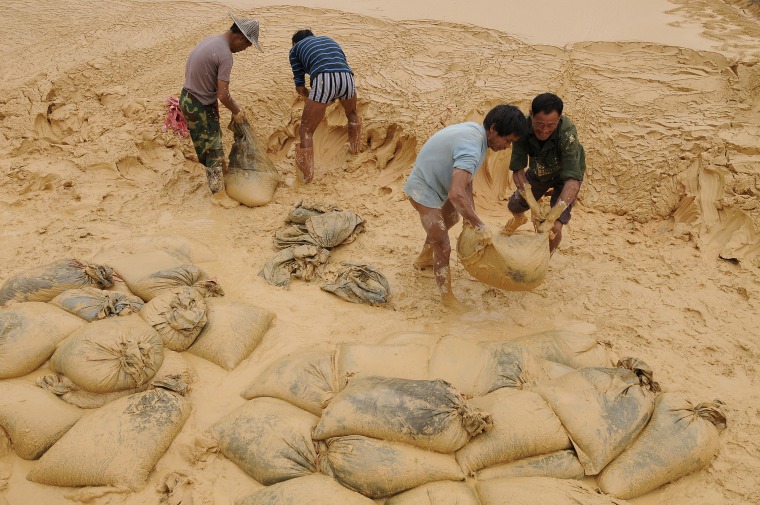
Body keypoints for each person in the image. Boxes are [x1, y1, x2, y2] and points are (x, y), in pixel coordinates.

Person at [404, 105, 529, 308]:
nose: (508, 147)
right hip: (423, 189)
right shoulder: (472, 148)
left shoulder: (476, 134)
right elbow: (456, 193)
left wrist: (471, 215)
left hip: (436, 182)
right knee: (443, 244)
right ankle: (447, 300)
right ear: (494, 129)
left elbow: (466, 182)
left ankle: (424, 258)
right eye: (507, 140)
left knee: (452, 218)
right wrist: (478, 225)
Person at [179, 11, 262, 208]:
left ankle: (219, 180)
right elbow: (223, 95)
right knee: (213, 149)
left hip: (188, 97)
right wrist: (238, 111)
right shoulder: (225, 54)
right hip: (199, 104)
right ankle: (218, 196)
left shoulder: (211, 40)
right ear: (239, 37)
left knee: (209, 143)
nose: (243, 50)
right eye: (246, 46)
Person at [502, 93, 586, 254]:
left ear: (559, 118)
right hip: (540, 170)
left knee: (553, 227)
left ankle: (544, 258)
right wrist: (532, 203)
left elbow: (573, 182)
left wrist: (554, 215)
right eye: (539, 124)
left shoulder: (567, 133)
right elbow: (518, 171)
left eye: (551, 125)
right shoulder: (522, 129)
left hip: (565, 176)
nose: (544, 130)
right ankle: (523, 218)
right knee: (514, 205)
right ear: (531, 114)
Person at [289, 30, 361, 183]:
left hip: (324, 78)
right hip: (347, 77)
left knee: (306, 130)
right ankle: (354, 151)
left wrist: (311, 98)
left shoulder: (295, 49)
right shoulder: (329, 39)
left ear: (295, 42)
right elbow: (341, 61)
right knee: (352, 114)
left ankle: (305, 177)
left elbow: (300, 86)